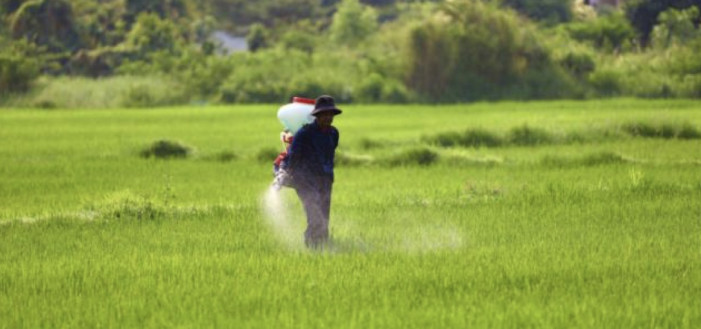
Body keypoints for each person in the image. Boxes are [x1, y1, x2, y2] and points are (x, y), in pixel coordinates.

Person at [280, 95, 341, 248]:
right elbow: (293, 156)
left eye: (330, 114)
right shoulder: (304, 133)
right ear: (317, 115)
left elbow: (330, 154)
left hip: (326, 180)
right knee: (315, 216)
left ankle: (324, 246)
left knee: (324, 216)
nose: (328, 117)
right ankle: (311, 247)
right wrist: (287, 174)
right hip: (306, 180)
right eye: (324, 114)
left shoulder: (334, 133)